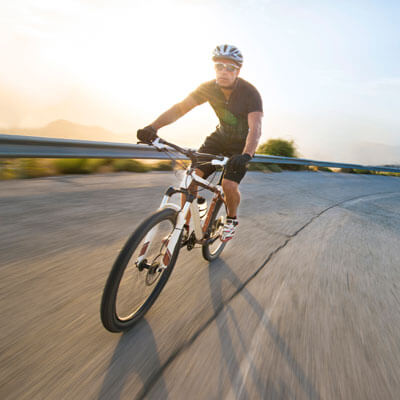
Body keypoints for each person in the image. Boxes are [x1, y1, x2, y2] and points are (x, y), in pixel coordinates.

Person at [137, 44, 263, 241]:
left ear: (238, 71)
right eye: (219, 66)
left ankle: (231, 220)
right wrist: (153, 128)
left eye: (230, 68)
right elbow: (179, 109)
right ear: (214, 68)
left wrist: (246, 155)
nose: (224, 71)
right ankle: (183, 228)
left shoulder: (250, 93)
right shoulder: (208, 88)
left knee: (229, 185)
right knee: (191, 177)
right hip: (219, 138)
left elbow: (255, 129)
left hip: (241, 145)